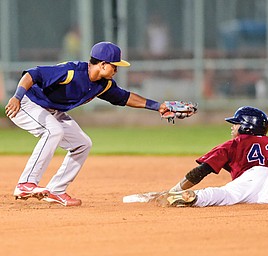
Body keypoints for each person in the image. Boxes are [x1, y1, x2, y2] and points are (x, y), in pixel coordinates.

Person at [5, 42, 170, 207]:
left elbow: (125, 97)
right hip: (26, 103)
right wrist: (17, 97)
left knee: (82, 144)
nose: (117, 70)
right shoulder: (71, 71)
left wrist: (158, 107)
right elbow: (32, 75)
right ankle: (25, 184)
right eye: (115, 66)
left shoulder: (103, 85)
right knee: (53, 131)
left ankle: (56, 190)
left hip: (52, 110)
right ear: (103, 65)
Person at [157, 106, 268, 207]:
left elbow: (202, 171)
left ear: (247, 126)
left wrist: (174, 190)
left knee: (226, 195)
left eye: (236, 123)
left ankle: (195, 198)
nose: (232, 127)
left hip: (250, 176)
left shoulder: (237, 142)